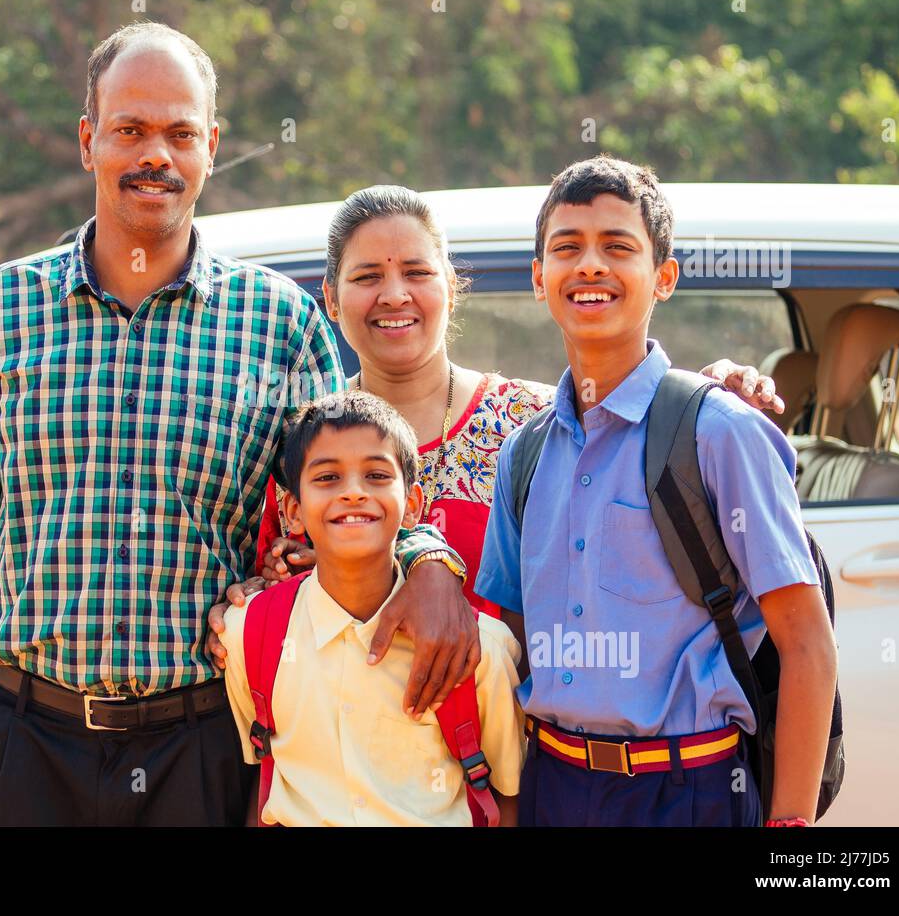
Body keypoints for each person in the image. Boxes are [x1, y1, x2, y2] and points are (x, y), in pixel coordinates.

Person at [0, 22, 473, 827]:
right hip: (22, 741)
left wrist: (428, 558)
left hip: (202, 750)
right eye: (129, 130)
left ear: (210, 146)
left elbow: (350, 485)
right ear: (89, 140)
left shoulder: (277, 323)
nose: (153, 156)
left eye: (178, 133)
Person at [208, 186, 786, 661]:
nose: (394, 295)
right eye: (365, 278)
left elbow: (641, 420)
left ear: (451, 290)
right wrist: (244, 608)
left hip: (517, 760)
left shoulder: (532, 423)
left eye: (416, 271)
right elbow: (275, 597)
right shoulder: (306, 444)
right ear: (331, 300)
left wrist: (714, 393)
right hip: (359, 766)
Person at [475, 155, 838, 826]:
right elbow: (513, 640)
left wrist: (790, 825)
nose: (589, 266)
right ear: (538, 277)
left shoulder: (718, 430)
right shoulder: (524, 454)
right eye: (567, 249)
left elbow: (807, 642)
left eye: (618, 247)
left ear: (663, 277)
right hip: (556, 786)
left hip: (690, 789)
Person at [220, 391, 524, 826]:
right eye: (327, 478)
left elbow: (507, 794)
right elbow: (265, 770)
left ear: (413, 506)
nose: (354, 493)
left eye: (377, 475)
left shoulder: (479, 653)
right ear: (292, 511)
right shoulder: (249, 634)